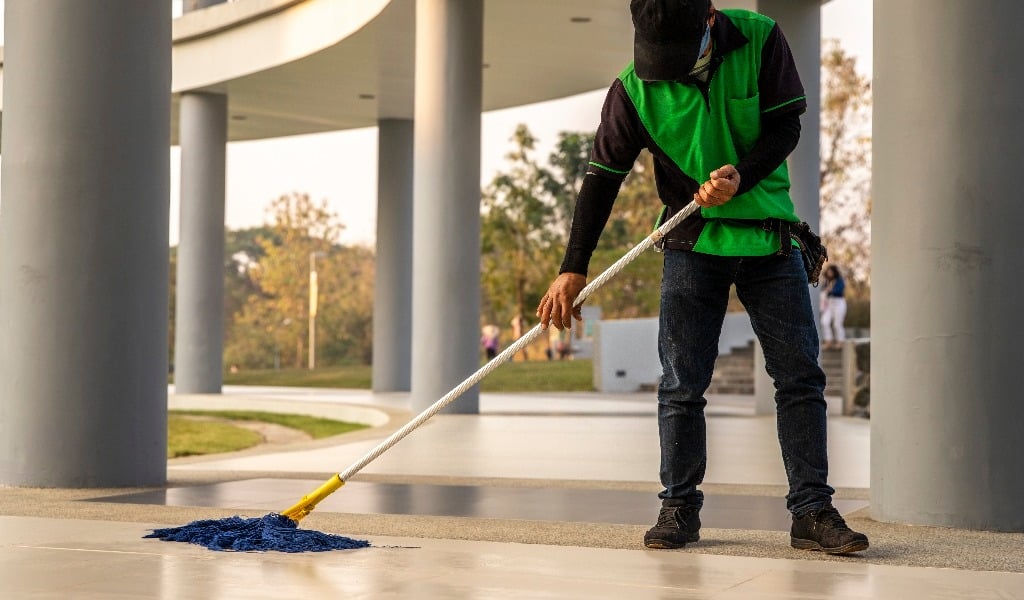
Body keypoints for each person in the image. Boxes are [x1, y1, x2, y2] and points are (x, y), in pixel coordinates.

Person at [535, 0, 868, 555]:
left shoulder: (761, 38)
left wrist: (744, 174)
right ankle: (678, 508)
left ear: (709, 19)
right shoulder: (632, 90)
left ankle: (812, 511)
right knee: (681, 385)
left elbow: (786, 123)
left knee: (800, 380)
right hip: (693, 246)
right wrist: (573, 267)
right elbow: (601, 178)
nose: (664, 69)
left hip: (769, 238)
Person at [820, 264, 847, 350]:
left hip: (839, 303)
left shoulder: (840, 280)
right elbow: (823, 290)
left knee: (837, 324)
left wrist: (830, 290)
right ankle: (828, 341)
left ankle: (840, 341)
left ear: (834, 272)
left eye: (831, 272)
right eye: (828, 272)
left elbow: (839, 290)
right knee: (824, 321)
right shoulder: (826, 281)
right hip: (829, 304)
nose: (829, 273)